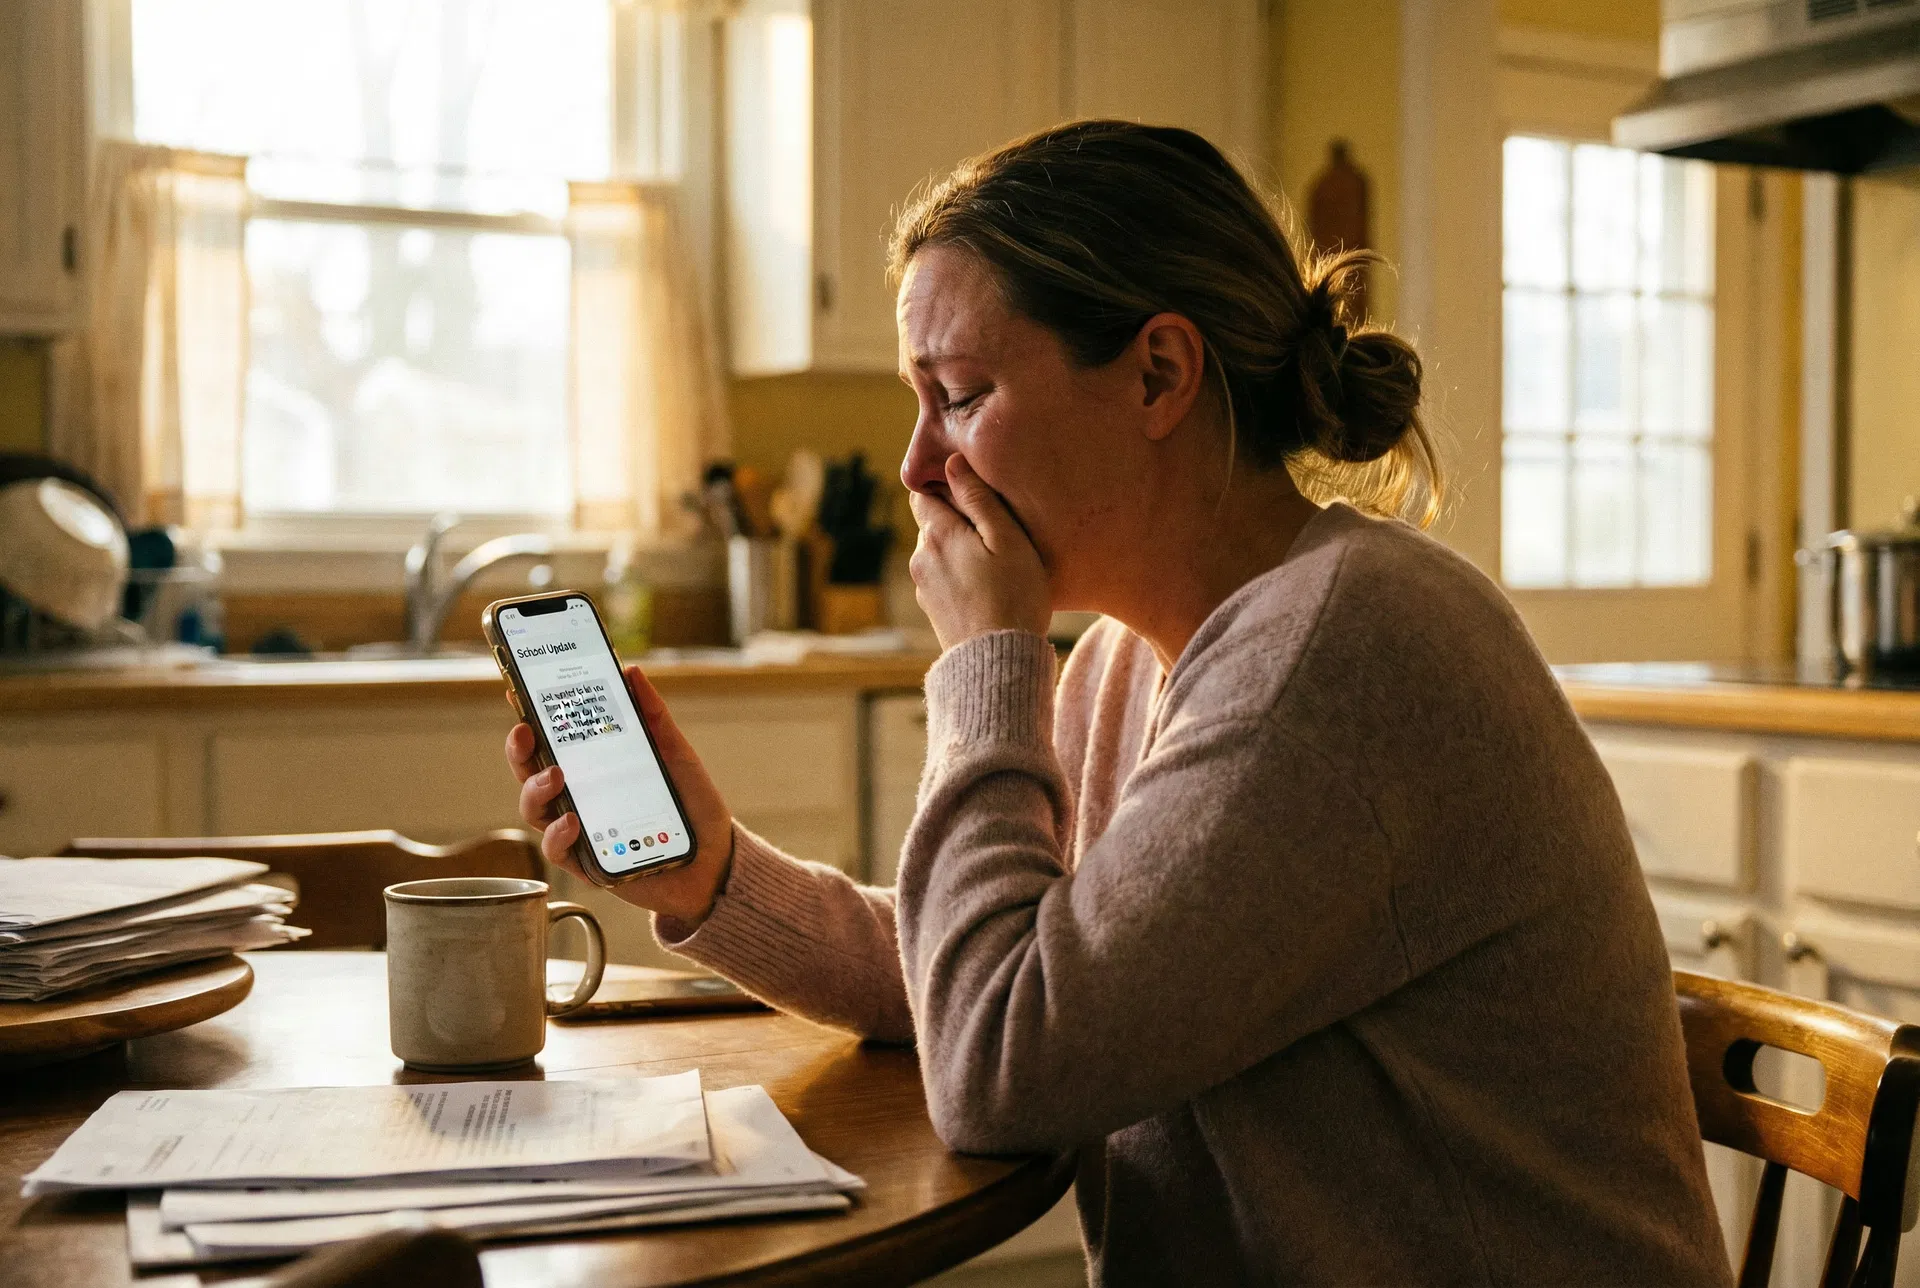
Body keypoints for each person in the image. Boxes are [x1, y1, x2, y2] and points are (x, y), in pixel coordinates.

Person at [507, 120, 1732, 1287]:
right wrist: (718, 880)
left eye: (962, 393)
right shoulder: (1128, 662)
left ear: (1157, 374)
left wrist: (990, 656)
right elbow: (993, 978)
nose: (917, 464)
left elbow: (1001, 1062)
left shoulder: (1346, 650)